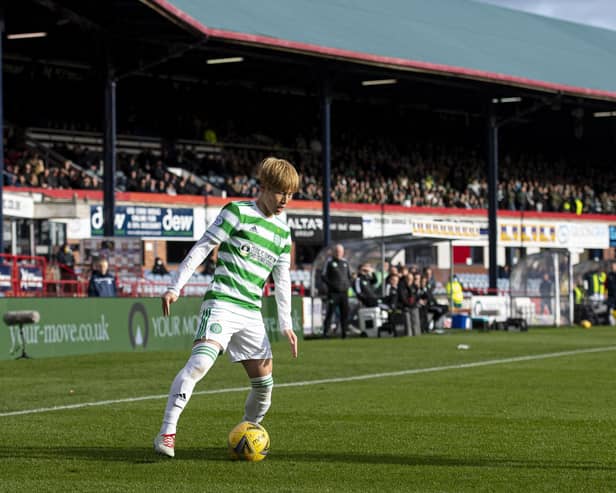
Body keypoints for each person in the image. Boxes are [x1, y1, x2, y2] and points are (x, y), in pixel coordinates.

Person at [153, 157, 299, 458]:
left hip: (251, 313)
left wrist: (287, 324)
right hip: (222, 301)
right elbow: (204, 246)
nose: (286, 199)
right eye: (280, 192)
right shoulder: (237, 212)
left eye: (291, 194)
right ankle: (167, 432)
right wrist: (174, 286)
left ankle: (248, 434)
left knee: (264, 388)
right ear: (264, 187)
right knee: (200, 364)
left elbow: (282, 281)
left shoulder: (283, 234)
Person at [321, 244, 352, 338]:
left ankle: (344, 333)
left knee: (345, 313)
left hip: (344, 293)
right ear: (333, 252)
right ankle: (325, 333)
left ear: (342, 252)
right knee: (330, 313)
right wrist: (332, 285)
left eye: (340, 251)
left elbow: (349, 276)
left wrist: (347, 284)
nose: (338, 253)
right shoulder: (329, 262)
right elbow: (323, 276)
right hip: (333, 293)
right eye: (336, 251)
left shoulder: (345, 263)